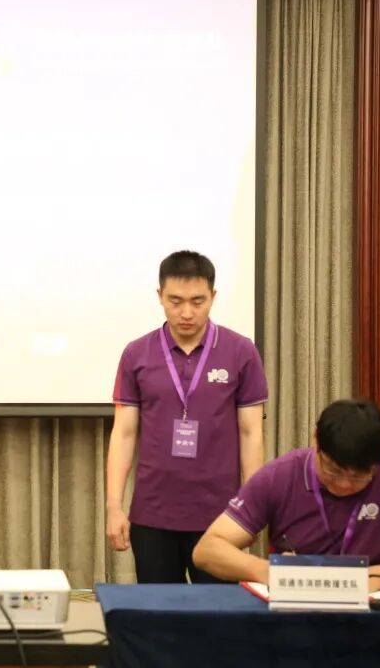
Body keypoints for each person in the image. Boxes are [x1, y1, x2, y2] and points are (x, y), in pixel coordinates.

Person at [107, 250, 268, 583]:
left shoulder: (241, 351)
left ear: (213, 296)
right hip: (153, 514)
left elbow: (251, 433)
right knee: (159, 610)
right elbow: (124, 433)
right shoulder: (137, 353)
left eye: (198, 301)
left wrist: (250, 510)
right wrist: (113, 507)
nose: (186, 313)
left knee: (218, 612)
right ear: (160, 296)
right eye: (175, 301)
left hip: (221, 519)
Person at [192, 399, 380, 590]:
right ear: (315, 440)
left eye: (359, 477)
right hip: (295, 614)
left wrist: (360, 579)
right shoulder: (281, 475)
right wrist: (269, 571)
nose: (344, 485)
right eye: (333, 470)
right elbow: (207, 550)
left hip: (375, 615)